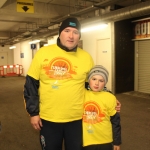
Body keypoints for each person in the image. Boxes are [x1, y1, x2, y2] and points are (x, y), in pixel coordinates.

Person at [23, 17, 121, 150]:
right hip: (48, 119)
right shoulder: (43, 53)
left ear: (79, 36)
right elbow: (31, 86)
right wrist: (33, 113)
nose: (71, 36)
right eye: (67, 30)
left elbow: (92, 85)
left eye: (75, 32)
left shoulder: (86, 57)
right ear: (60, 33)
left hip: (77, 119)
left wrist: (109, 97)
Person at [82, 65, 121, 150]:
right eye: (94, 79)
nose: (97, 83)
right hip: (87, 141)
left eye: (101, 80)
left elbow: (116, 122)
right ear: (89, 80)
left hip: (105, 140)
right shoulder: (82, 93)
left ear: (105, 82)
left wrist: (117, 142)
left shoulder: (110, 97)